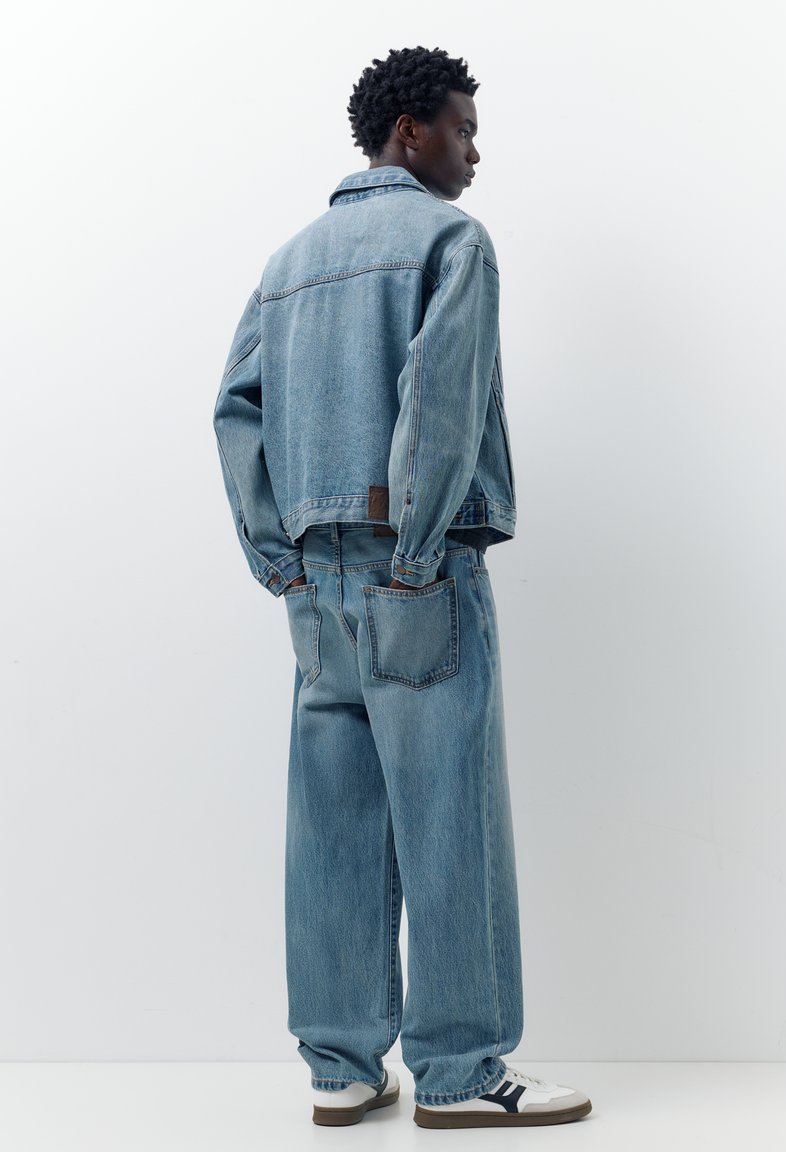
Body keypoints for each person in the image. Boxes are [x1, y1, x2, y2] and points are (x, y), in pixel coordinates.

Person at [212, 44, 592, 1130]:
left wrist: (279, 560)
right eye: (462, 129)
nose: (473, 152)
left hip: (315, 587)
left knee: (331, 820)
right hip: (413, 572)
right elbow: (439, 403)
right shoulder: (449, 241)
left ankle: (339, 1065)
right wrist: (419, 549)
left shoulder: (288, 262)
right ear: (407, 131)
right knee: (448, 815)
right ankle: (462, 1073)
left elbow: (234, 409)